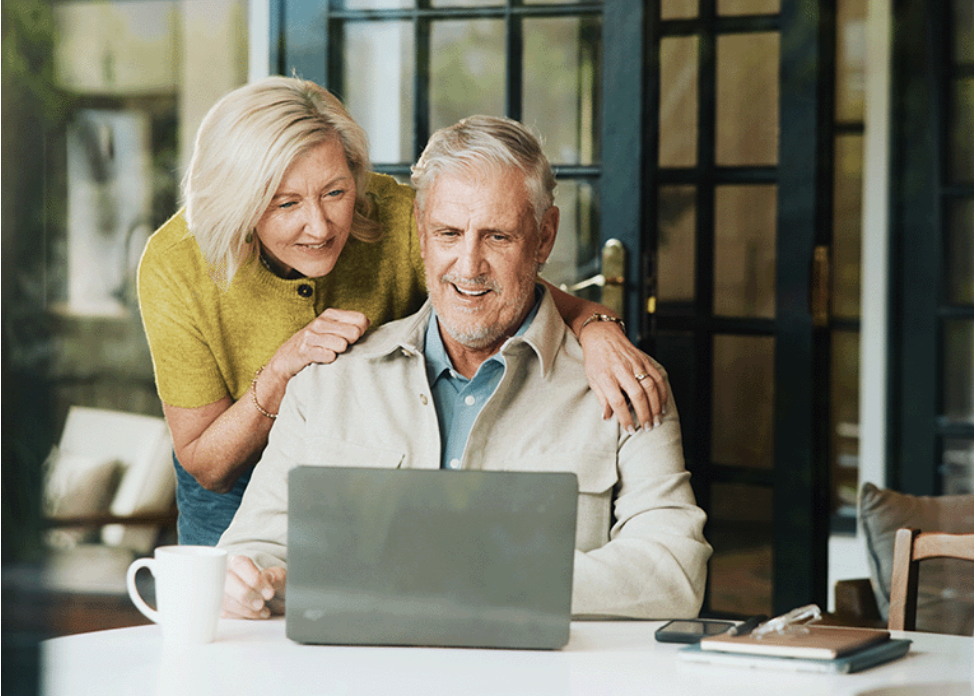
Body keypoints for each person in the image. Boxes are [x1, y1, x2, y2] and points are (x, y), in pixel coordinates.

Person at [136, 78, 669, 548]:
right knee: (230, 618)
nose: (320, 226)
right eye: (285, 203)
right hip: (234, 474)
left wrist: (597, 326)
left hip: (365, 464)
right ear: (240, 203)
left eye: (335, 192)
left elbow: (503, 275)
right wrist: (282, 370)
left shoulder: (396, 214)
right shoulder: (176, 265)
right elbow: (207, 465)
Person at [217, 114, 711, 620]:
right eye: (449, 233)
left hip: (542, 691)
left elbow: (674, 571)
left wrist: (476, 578)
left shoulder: (625, 385)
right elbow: (253, 547)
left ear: (544, 238)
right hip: (361, 689)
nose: (469, 265)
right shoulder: (329, 380)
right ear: (421, 234)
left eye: (497, 237)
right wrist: (245, 579)